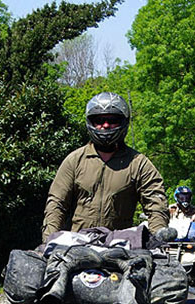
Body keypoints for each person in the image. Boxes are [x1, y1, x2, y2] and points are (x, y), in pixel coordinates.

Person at [42, 92, 169, 243]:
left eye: (112, 120)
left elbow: (156, 204)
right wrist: (49, 242)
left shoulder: (138, 163)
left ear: (124, 122)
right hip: (78, 245)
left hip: (121, 246)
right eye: (99, 120)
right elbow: (56, 204)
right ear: (91, 123)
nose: (106, 125)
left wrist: (157, 239)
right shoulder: (75, 160)